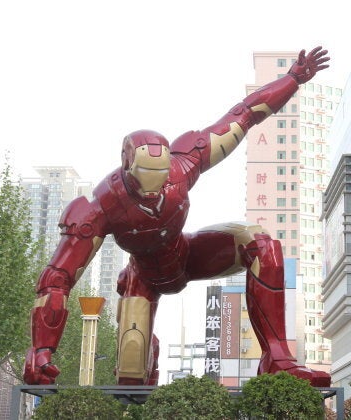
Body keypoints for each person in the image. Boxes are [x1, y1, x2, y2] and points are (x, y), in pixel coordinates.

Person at [24, 47, 331, 387]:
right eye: (146, 185)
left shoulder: (184, 165)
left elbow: (243, 115)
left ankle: (276, 358)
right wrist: (41, 350)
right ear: (127, 167)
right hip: (144, 275)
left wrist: (292, 79)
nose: (155, 193)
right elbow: (58, 277)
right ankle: (147, 360)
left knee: (261, 244)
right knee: (131, 371)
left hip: (188, 255)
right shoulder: (98, 209)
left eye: (160, 181)